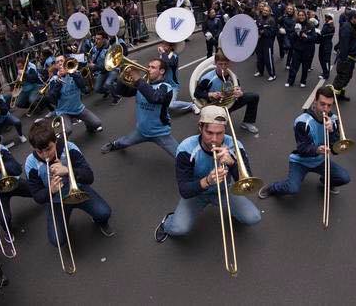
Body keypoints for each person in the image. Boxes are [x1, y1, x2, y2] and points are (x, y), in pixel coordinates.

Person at [154, 105, 261, 242]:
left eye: (220, 133)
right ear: (200, 128)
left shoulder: (236, 146)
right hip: (197, 194)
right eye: (209, 133)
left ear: (225, 130)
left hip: (224, 191)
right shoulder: (186, 149)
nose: (214, 139)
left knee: (253, 218)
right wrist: (208, 181)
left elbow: (247, 184)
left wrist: (233, 163)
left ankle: (235, 211)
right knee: (178, 229)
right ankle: (168, 222)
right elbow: (184, 190)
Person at [25, 118, 114, 246]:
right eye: (39, 151)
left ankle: (97, 219)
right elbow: (37, 196)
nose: (45, 155)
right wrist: (51, 190)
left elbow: (89, 177)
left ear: (55, 141)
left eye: (48, 149)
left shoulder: (69, 148)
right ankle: (62, 222)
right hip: (56, 200)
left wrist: (68, 170)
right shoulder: (30, 163)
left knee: (104, 213)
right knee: (57, 241)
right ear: (33, 148)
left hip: (79, 190)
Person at [258, 86, 350, 198]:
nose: (325, 109)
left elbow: (336, 150)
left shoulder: (334, 120)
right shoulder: (302, 121)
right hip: (301, 161)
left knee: (344, 178)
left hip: (320, 160)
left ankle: (326, 182)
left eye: (329, 105)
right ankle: (273, 188)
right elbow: (302, 149)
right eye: (322, 104)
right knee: (292, 189)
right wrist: (317, 149)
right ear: (315, 102)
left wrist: (331, 131)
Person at [100, 58, 179, 157]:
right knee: (125, 141)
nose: (149, 69)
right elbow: (121, 92)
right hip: (141, 130)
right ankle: (115, 145)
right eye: (149, 66)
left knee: (180, 155)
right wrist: (123, 75)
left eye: (153, 67)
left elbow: (155, 98)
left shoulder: (166, 87)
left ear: (162, 71)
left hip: (160, 132)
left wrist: (137, 78)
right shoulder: (142, 85)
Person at [194, 50, 260, 134]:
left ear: (229, 63)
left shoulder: (233, 76)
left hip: (230, 102)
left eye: (225, 64)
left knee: (254, 96)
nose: (223, 67)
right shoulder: (207, 78)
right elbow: (196, 93)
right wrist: (211, 94)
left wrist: (240, 93)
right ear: (215, 63)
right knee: (215, 131)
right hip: (214, 106)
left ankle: (247, 122)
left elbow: (237, 87)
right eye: (220, 64)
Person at [48, 54, 103, 135]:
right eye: (57, 62)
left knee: (97, 123)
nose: (60, 63)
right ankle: (64, 144)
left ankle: (89, 126)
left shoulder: (76, 73)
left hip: (78, 108)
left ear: (66, 61)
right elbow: (52, 99)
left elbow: (84, 88)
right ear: (56, 66)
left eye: (61, 61)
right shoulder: (54, 80)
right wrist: (59, 82)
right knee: (67, 131)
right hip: (63, 111)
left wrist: (72, 73)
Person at [158, 41, 199, 114]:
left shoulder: (174, 57)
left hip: (172, 85)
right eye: (163, 43)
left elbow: (167, 63)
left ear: (172, 47)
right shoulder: (162, 56)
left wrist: (163, 53)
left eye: (166, 44)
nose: (163, 45)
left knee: (171, 105)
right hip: (162, 84)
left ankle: (191, 105)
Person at [331, 10, 356, 101]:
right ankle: (334, 97)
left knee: (346, 77)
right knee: (341, 78)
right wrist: (344, 60)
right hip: (346, 59)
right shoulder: (347, 28)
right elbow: (344, 45)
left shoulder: (351, 26)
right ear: (352, 19)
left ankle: (340, 94)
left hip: (350, 59)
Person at [285, 10, 316, 88]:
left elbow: (314, 37)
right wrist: (296, 33)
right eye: (300, 15)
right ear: (297, 16)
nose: (301, 17)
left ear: (305, 16)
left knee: (305, 67)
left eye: (303, 15)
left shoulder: (310, 25)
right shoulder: (295, 24)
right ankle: (290, 81)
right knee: (293, 67)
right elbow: (291, 36)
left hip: (307, 50)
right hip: (297, 50)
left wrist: (306, 36)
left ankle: (303, 81)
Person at [89, 32, 120, 104]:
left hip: (112, 69)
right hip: (102, 71)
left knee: (108, 84)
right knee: (97, 89)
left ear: (103, 40)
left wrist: (94, 66)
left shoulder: (108, 49)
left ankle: (117, 96)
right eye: (95, 38)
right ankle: (108, 91)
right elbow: (93, 58)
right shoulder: (94, 48)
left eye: (98, 39)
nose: (96, 41)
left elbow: (107, 65)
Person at [253, 5, 277, 81]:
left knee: (268, 58)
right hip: (259, 41)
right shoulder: (259, 18)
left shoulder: (271, 20)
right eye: (264, 10)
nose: (265, 11)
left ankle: (272, 74)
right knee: (260, 58)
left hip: (267, 42)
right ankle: (260, 71)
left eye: (267, 10)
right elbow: (256, 28)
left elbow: (273, 32)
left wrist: (263, 32)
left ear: (269, 12)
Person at [318, 13, 335, 80]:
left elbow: (323, 32)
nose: (325, 18)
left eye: (327, 17)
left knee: (326, 60)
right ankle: (325, 71)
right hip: (323, 44)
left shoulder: (330, 25)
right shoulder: (327, 24)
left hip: (327, 45)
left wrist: (320, 33)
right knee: (321, 58)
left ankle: (326, 74)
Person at [279, 4, 297, 70]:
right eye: (288, 9)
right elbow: (278, 23)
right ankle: (285, 50)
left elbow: (294, 28)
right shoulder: (284, 17)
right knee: (287, 46)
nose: (289, 10)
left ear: (293, 10)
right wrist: (280, 28)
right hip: (285, 35)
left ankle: (288, 64)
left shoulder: (295, 18)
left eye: (291, 9)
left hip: (292, 35)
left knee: (291, 51)